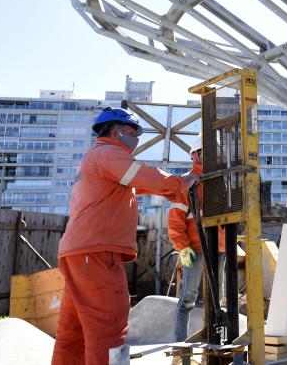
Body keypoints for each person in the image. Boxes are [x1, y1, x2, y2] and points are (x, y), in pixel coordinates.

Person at [52, 107, 196, 365]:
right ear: (116, 131)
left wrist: (184, 180)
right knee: (109, 326)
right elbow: (148, 177)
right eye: (133, 133)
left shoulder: (98, 159)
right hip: (97, 253)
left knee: (73, 332)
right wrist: (182, 182)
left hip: (81, 252)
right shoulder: (109, 154)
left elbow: (152, 185)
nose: (136, 140)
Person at [169, 144, 226, 342]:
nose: (210, 155)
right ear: (194, 155)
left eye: (213, 151)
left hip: (219, 249)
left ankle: (212, 340)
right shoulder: (187, 183)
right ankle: (180, 342)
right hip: (193, 249)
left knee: (215, 300)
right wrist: (183, 249)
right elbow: (175, 221)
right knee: (187, 299)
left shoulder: (222, 182)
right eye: (204, 151)